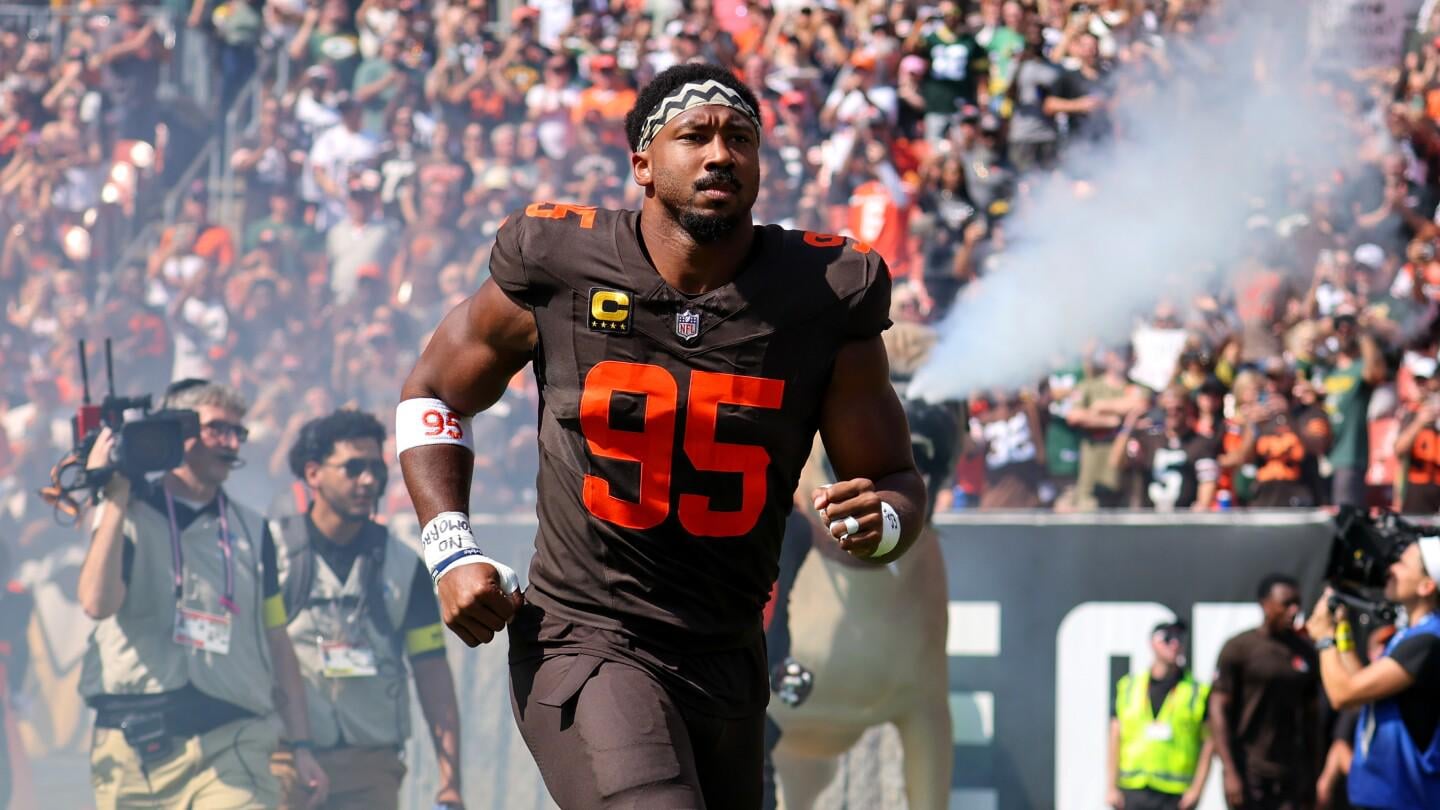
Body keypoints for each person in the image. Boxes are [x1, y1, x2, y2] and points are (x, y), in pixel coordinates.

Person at [397, 62, 926, 808]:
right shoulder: (561, 263)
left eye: (740, 138)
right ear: (643, 163)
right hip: (588, 639)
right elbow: (434, 393)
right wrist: (450, 548)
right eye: (695, 136)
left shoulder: (824, 293)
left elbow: (896, 479)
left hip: (730, 659)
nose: (720, 154)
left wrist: (884, 525)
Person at [76, 381, 329, 809]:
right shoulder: (127, 513)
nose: (230, 444)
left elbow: (276, 638)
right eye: (216, 430)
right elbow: (97, 603)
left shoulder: (254, 530)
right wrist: (114, 498)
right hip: (135, 746)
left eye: (237, 432)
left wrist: (301, 744)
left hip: (233, 741)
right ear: (177, 431)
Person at [268, 410, 464, 809]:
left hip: (372, 769)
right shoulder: (272, 554)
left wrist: (450, 781)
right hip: (282, 761)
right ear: (313, 473)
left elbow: (432, 673)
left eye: (376, 469)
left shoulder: (404, 567)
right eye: (353, 468)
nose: (369, 481)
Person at [1306, 539, 1440, 810]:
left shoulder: (1428, 640)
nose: (1391, 569)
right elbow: (1363, 691)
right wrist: (1341, 629)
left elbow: (1343, 695)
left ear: (1427, 586)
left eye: (1402, 564)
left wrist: (1324, 639)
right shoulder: (1411, 635)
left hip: (1406, 799)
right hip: (1386, 796)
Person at [1210, 574, 1321, 810]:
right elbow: (1217, 710)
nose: (1294, 610)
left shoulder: (1306, 652)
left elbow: (1311, 719)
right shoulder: (1239, 648)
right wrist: (1230, 771)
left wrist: (1312, 775)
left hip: (1291, 773)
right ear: (1265, 604)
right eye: (1286, 603)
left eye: (1297, 603)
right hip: (1249, 771)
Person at [1107, 620, 1213, 810]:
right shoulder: (1129, 686)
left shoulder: (1197, 691)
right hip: (1133, 789)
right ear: (1152, 643)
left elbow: (1209, 742)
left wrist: (1197, 789)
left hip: (1176, 794)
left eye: (1179, 638)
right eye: (1167, 638)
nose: (1174, 644)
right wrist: (1111, 786)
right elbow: (1115, 736)